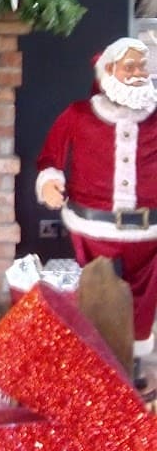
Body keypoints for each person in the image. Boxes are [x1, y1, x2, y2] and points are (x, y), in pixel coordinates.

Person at [36, 37, 157, 369]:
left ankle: (131, 360)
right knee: (95, 292)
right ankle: (96, 360)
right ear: (109, 70)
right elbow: (50, 156)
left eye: (142, 66)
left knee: (143, 301)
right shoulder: (79, 115)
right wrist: (49, 182)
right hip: (93, 227)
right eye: (129, 66)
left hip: (149, 232)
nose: (137, 73)